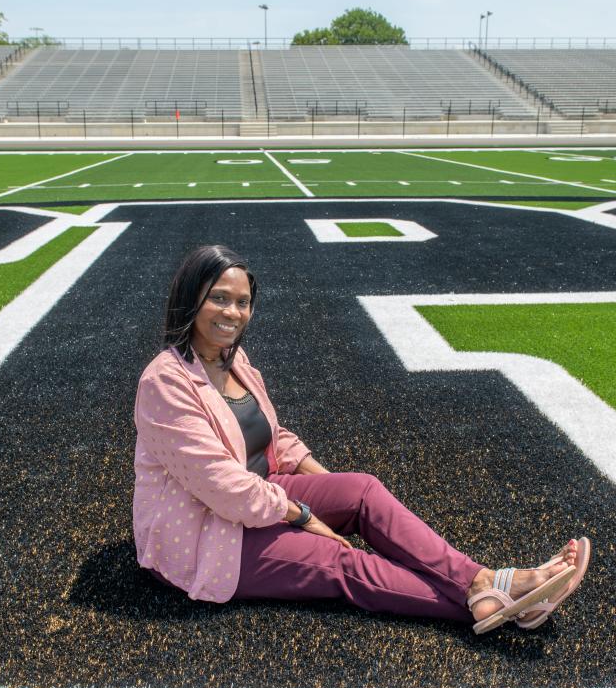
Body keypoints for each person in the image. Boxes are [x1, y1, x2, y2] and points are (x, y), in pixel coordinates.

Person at [132, 245, 591, 634]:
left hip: (263, 495)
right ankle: (494, 602)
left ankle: (481, 583)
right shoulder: (165, 382)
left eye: (243, 302)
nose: (233, 313)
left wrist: (340, 492)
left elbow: (275, 439)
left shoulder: (235, 360)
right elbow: (223, 489)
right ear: (191, 298)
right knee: (337, 560)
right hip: (207, 534)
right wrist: (308, 517)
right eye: (219, 299)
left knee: (364, 489)